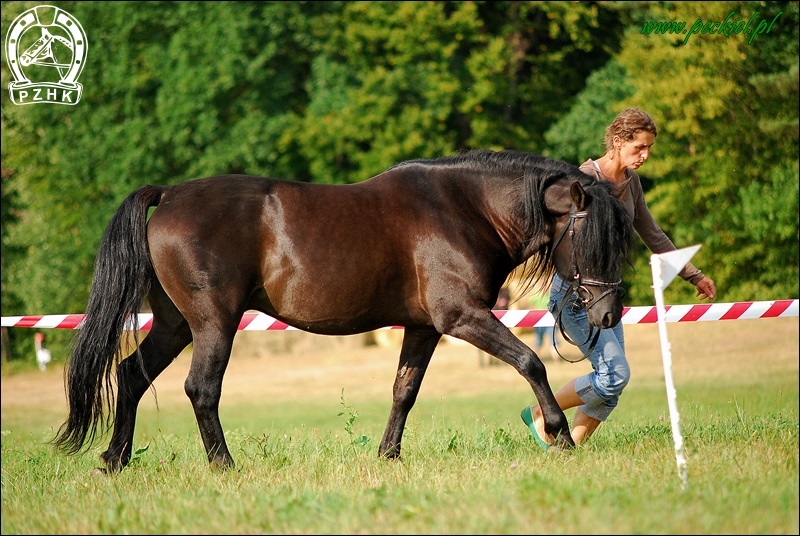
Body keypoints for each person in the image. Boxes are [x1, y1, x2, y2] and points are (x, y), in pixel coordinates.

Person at [521, 107, 717, 449]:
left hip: (607, 295)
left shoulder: (632, 183)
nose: (645, 155)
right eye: (639, 147)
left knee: (613, 381)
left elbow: (652, 233)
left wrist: (693, 276)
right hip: (575, 297)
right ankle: (540, 411)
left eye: (649, 148)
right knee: (615, 375)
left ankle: (567, 451)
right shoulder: (582, 179)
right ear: (617, 141)